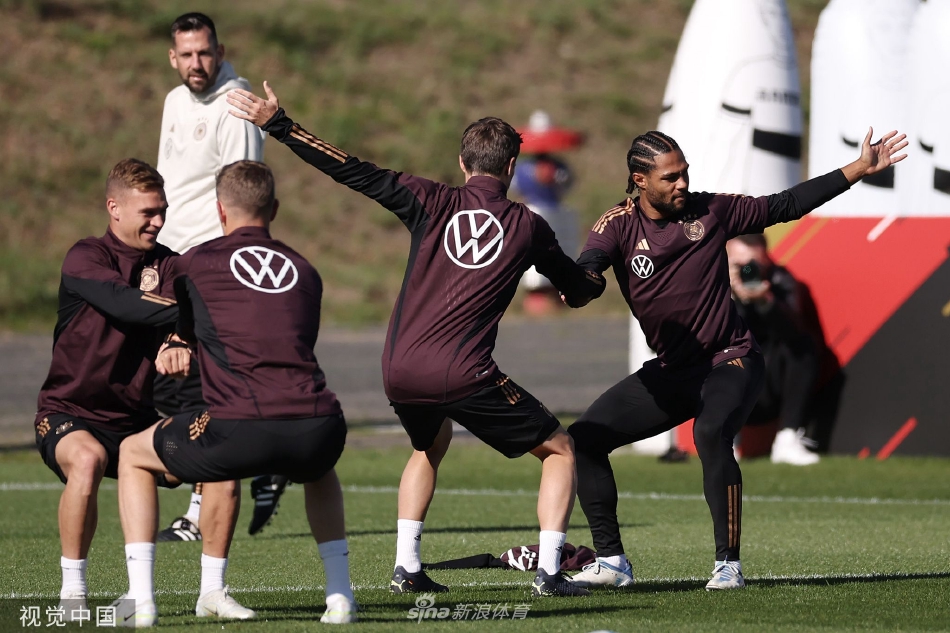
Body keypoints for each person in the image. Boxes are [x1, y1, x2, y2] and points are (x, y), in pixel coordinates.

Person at [227, 83, 605, 597]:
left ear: (462, 163)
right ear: (512, 166)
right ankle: (551, 573)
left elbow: (351, 169)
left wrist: (280, 125)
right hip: (464, 373)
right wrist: (598, 265)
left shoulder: (430, 199)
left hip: (399, 370)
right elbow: (579, 291)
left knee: (430, 442)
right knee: (560, 449)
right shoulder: (528, 226)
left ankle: (407, 567)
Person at [566, 127, 907, 591]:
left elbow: (786, 204)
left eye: (684, 173)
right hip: (672, 370)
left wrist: (859, 169)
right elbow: (588, 270)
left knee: (710, 433)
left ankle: (728, 565)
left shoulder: (712, 210)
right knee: (583, 439)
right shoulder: (617, 224)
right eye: (670, 177)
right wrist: (579, 285)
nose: (683, 183)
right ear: (639, 180)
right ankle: (611, 562)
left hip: (730, 359)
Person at [112, 161, 356, 626]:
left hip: (240, 427)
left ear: (220, 210)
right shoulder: (306, 271)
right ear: (275, 209)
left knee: (133, 453)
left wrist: (175, 344)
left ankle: (140, 601)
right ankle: (340, 595)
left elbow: (182, 320)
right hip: (320, 424)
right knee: (318, 469)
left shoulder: (194, 263)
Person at [155, 12, 282, 541]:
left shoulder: (236, 104)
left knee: (207, 387)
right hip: (173, 266)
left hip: (212, 270)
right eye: (186, 54)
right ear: (173, 57)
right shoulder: (174, 101)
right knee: (176, 386)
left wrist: (217, 271)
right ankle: (270, 457)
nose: (196, 63)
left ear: (220, 51)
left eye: (204, 52)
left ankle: (197, 509)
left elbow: (242, 198)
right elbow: (170, 186)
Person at [34, 159, 178, 617]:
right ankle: (73, 593)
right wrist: (190, 316)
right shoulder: (85, 256)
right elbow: (127, 303)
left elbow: (190, 310)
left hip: (136, 420)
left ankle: (212, 591)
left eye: (163, 210)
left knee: (217, 458)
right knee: (88, 458)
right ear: (114, 208)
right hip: (68, 412)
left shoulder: (169, 263)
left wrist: (180, 339)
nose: (158, 221)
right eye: (148, 212)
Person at [726, 233, 834, 465]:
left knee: (804, 345)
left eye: (753, 265)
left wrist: (765, 301)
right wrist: (728, 297)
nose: (747, 271)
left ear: (766, 259)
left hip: (769, 384)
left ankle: (787, 439)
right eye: (739, 265)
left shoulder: (780, 281)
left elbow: (794, 330)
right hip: (731, 384)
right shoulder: (710, 284)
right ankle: (723, 442)